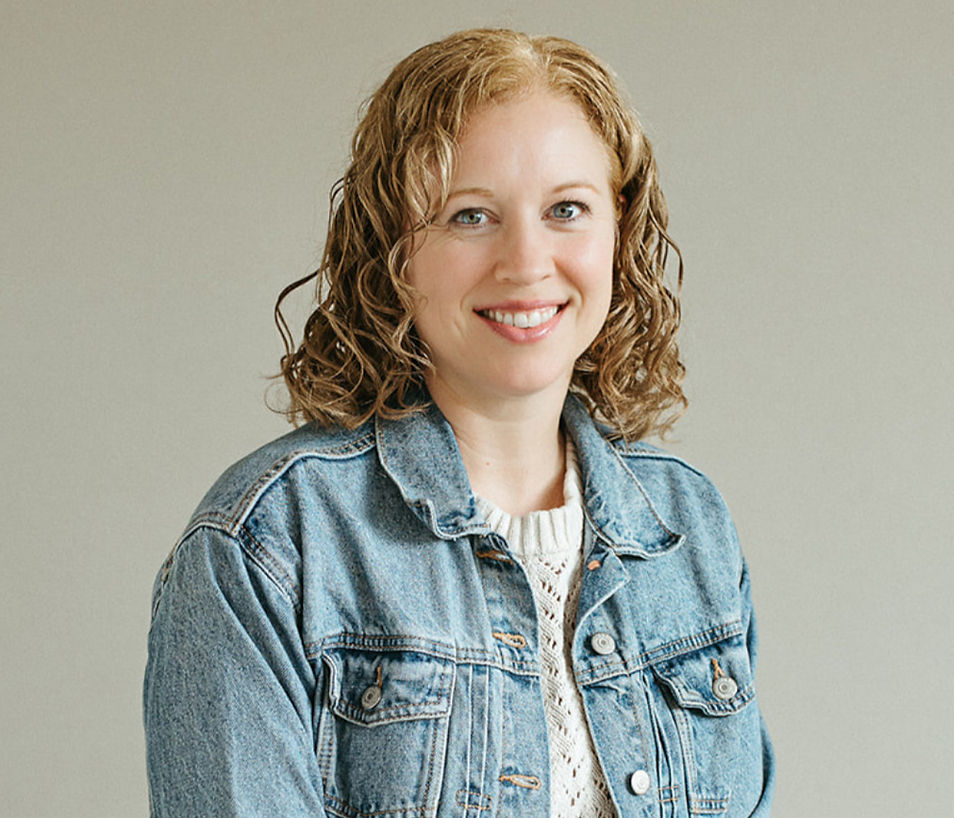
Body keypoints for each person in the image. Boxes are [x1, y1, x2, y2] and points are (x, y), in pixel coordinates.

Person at [143, 28, 774, 818]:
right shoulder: (271, 544)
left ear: (619, 229)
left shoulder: (689, 527)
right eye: (470, 216)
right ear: (393, 250)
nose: (527, 262)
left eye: (567, 209)